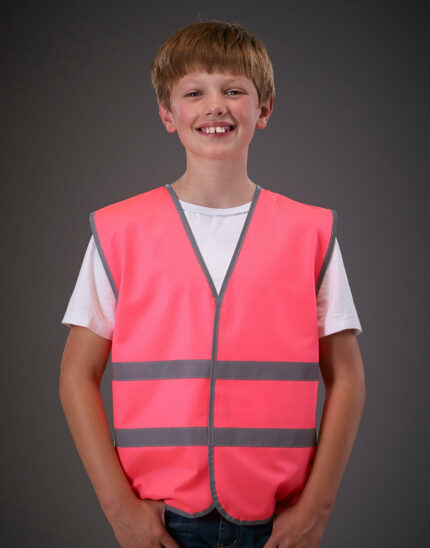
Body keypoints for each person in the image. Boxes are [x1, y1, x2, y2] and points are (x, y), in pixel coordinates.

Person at [59, 19, 366, 548]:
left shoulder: (310, 233)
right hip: (162, 521)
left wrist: (317, 509)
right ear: (167, 113)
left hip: (278, 522)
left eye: (234, 90)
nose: (215, 106)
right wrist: (119, 510)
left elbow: (348, 378)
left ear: (264, 109)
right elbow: (75, 375)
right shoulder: (120, 231)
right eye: (194, 92)